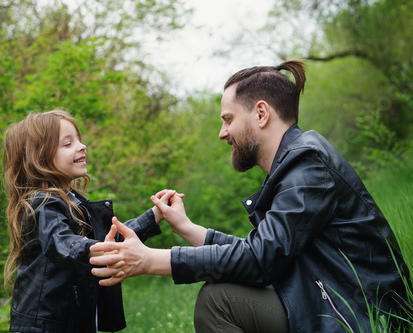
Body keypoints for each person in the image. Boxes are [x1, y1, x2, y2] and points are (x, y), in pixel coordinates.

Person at [89, 60, 411, 333]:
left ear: (261, 114)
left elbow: (258, 261)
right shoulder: (295, 164)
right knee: (223, 292)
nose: (222, 133)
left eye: (228, 119)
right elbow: (261, 254)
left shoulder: (307, 165)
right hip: (327, 299)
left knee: (218, 301)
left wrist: (150, 260)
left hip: (363, 316)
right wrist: (186, 228)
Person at [2, 109, 168, 332]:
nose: (82, 146)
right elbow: (60, 242)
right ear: (40, 157)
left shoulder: (74, 201)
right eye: (68, 143)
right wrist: (92, 249)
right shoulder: (40, 204)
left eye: (78, 140)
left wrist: (155, 215)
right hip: (44, 326)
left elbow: (109, 240)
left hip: (74, 320)